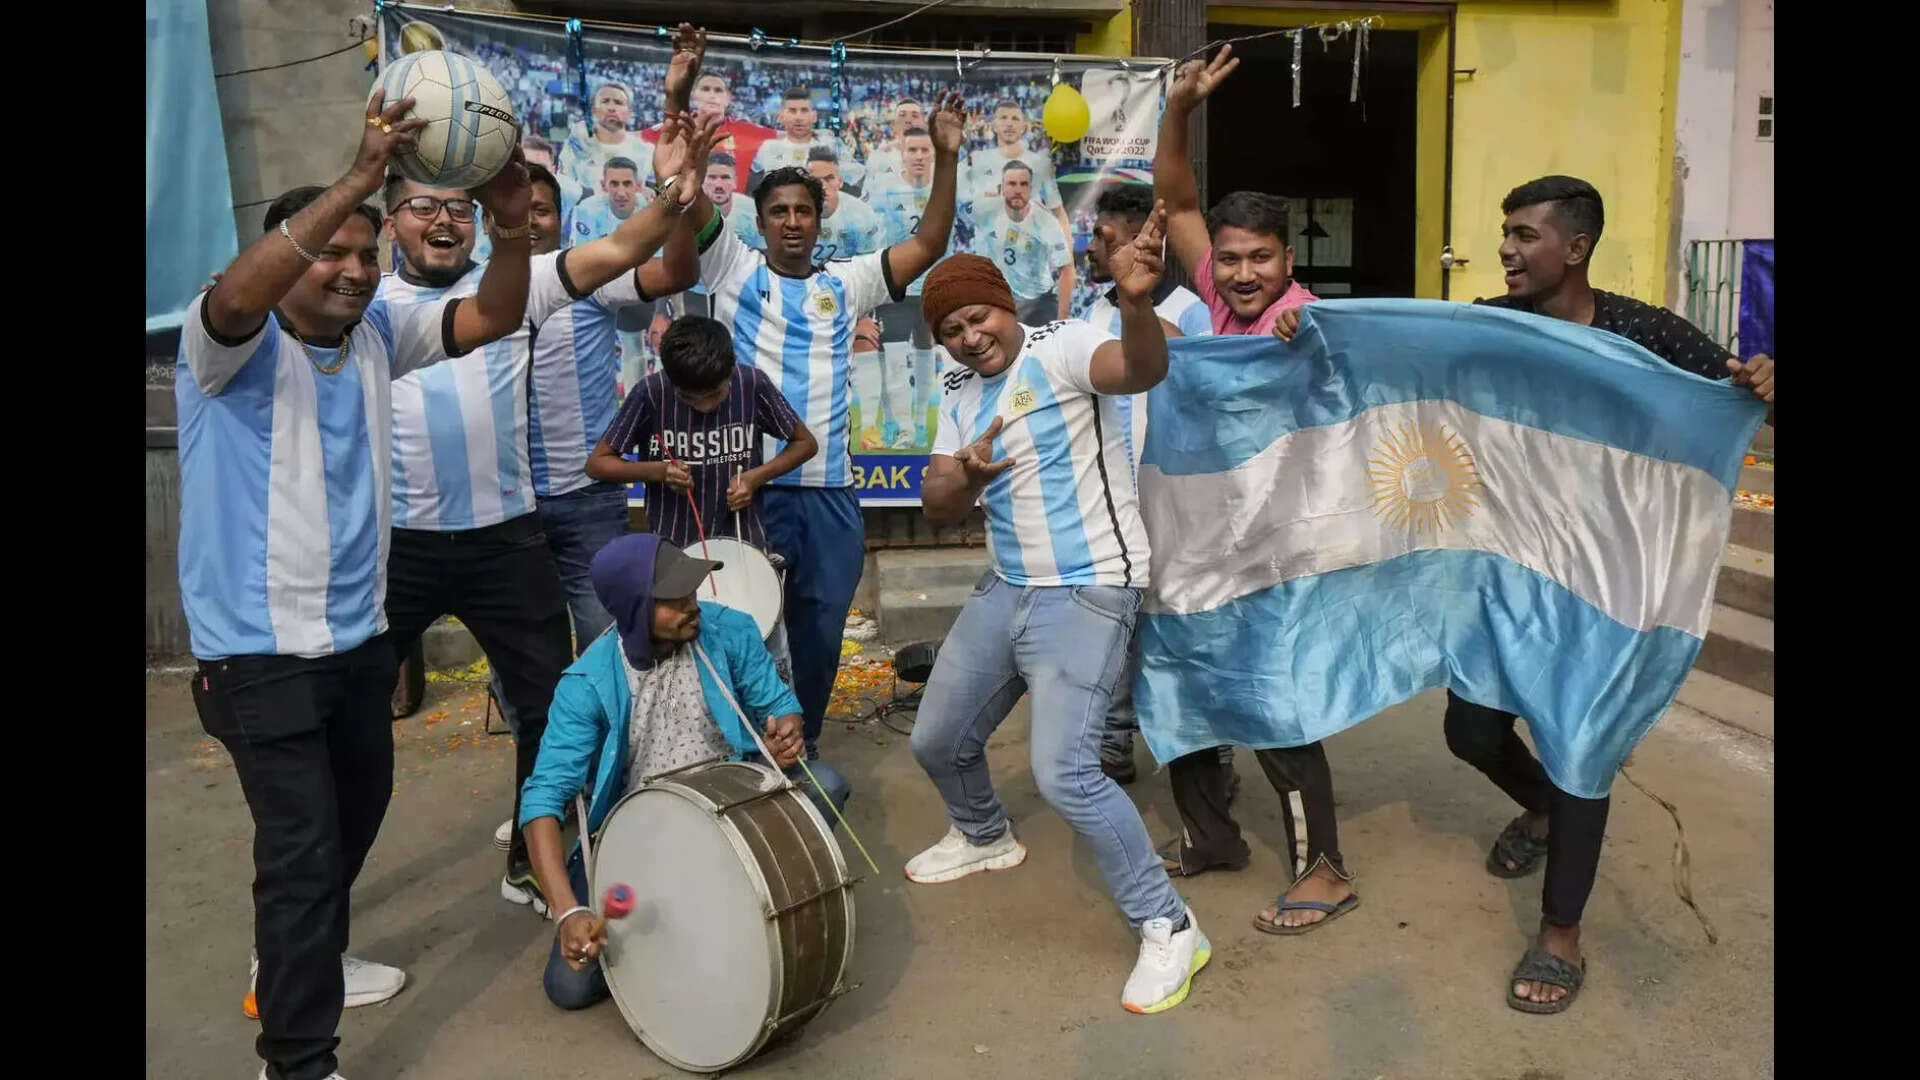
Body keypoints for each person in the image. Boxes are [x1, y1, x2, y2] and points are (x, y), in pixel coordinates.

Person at [1274, 174, 1774, 1013]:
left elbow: (1726, 394)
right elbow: (1402, 353)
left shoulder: (1645, 332)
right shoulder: (1491, 325)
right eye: (1504, 232)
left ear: (1575, 247)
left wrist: (1761, 379)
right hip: (1503, 572)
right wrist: (1312, 327)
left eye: (1524, 235)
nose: (1506, 247)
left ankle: (1559, 934)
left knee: (1581, 742)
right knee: (1469, 729)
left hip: (1608, 580)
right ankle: (1542, 809)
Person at [185, 93, 531, 1080]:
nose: (349, 270)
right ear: (288, 257)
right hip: (256, 654)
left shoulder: (378, 335)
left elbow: (497, 311)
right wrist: (359, 175)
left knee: (354, 813)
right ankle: (297, 1058)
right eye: (328, 252)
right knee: (299, 851)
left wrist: (506, 224)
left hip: (354, 641)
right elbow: (240, 295)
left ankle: (303, 957)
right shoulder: (229, 349)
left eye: (363, 255)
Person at [376, 111, 716, 914]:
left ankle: (537, 857)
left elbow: (627, 252)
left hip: (507, 538)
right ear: (391, 221)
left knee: (550, 705)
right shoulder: (368, 305)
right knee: (350, 725)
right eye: (424, 206)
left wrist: (673, 187)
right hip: (401, 549)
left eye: (459, 208)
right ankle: (307, 914)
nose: (443, 221)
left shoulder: (517, 287)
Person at [906, 230, 1211, 1015]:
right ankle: (983, 835)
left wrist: (1135, 302)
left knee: (1067, 774)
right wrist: (965, 478)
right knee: (935, 739)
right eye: (952, 331)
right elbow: (936, 504)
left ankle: (1169, 925)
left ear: (1005, 305)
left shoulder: (1065, 344)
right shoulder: (956, 390)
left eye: (979, 319)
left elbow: (1141, 368)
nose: (972, 339)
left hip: (1089, 589)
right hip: (1006, 587)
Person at [679, 39, 968, 760]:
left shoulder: (852, 280)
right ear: (760, 218)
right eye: (777, 210)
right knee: (741, 624)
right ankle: (741, 749)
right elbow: (686, 208)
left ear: (820, 219)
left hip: (831, 495)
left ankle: (797, 747)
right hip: (751, 492)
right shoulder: (733, 267)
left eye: (803, 210)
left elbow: (929, 242)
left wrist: (947, 154)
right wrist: (681, 111)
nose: (792, 221)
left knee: (819, 631)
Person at [1148, 47, 1351, 934]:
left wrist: (1313, 341)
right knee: (1180, 683)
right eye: (1229, 260)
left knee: (1273, 700)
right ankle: (1212, 837)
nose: (1239, 275)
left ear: (1285, 258)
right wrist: (1177, 110)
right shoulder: (1219, 301)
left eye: (1259, 260)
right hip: (1198, 539)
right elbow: (1180, 202)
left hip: (1276, 548)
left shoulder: (1302, 319)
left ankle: (1326, 868)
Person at [518, 534, 852, 1010]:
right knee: (570, 988)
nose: (692, 606)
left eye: (692, 593)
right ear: (633, 609)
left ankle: (729, 907)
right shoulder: (585, 685)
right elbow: (543, 800)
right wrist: (567, 910)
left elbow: (779, 705)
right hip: (641, 840)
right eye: (673, 601)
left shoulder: (729, 629)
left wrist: (787, 736)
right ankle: (696, 910)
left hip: (733, 810)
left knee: (829, 785)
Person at [586, 315, 819, 681]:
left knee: (766, 659)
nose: (706, 406)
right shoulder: (651, 393)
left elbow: (805, 443)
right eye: (690, 398)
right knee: (688, 672)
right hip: (676, 559)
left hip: (747, 552)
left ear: (731, 368)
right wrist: (658, 471)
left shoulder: (751, 384)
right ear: (672, 382)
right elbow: (599, 463)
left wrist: (755, 477)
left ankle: (776, 733)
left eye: (716, 394)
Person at [1078, 183, 1213, 786]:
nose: (1100, 246)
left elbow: (1203, 384)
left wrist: (1141, 311)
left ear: (1145, 239)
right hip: (1115, 494)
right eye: (1098, 235)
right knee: (1116, 621)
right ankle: (1113, 740)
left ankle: (1208, 752)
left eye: (1112, 236)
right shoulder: (1091, 312)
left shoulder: (1189, 309)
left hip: (1175, 492)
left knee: (1182, 619)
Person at [865, 125, 944, 449]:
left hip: (934, 286)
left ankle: (923, 422)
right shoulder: (885, 190)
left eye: (925, 150)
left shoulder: (943, 191)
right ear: (902, 152)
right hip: (895, 286)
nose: (919, 156)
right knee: (895, 359)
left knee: (928, 350)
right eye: (913, 150)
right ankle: (905, 429)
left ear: (933, 154)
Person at [968, 161, 1073, 324]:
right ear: (1002, 188)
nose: (1018, 190)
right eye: (1012, 184)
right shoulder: (987, 215)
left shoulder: (1046, 222)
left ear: (1030, 189)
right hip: (1002, 300)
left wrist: (1062, 318)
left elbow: (1066, 268)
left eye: (1023, 184)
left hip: (1039, 302)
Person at [557, 81, 656, 207]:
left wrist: (653, 194)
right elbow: (561, 186)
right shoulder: (577, 145)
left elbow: (667, 195)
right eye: (605, 101)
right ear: (594, 111)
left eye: (618, 103)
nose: (611, 108)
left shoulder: (645, 151)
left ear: (629, 114)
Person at [807, 146, 886, 264]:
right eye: (815, 181)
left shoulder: (862, 213)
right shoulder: (792, 214)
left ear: (840, 181)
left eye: (829, 179)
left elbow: (870, 264)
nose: (823, 186)